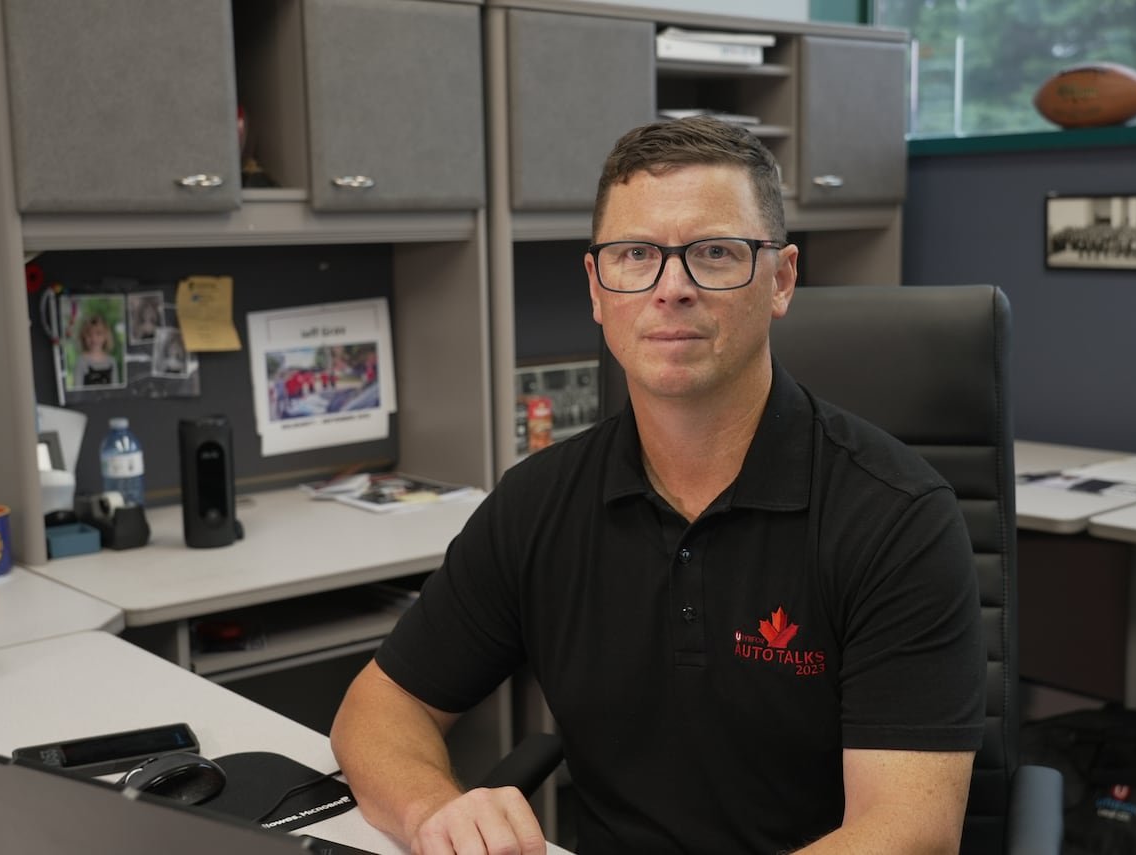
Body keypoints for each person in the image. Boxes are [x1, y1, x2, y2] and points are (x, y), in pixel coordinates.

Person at [330, 116, 985, 855]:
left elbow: (910, 830)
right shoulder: (539, 502)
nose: (671, 288)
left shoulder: (896, 516)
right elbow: (378, 708)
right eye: (636, 254)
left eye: (713, 252)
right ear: (597, 287)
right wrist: (430, 810)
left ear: (782, 278)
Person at [74, 313, 119, 387]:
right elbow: (77, 389)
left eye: (98, 334)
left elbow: (116, 388)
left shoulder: (112, 361)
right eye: (89, 334)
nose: (94, 339)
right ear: (83, 337)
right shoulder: (81, 361)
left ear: (105, 336)